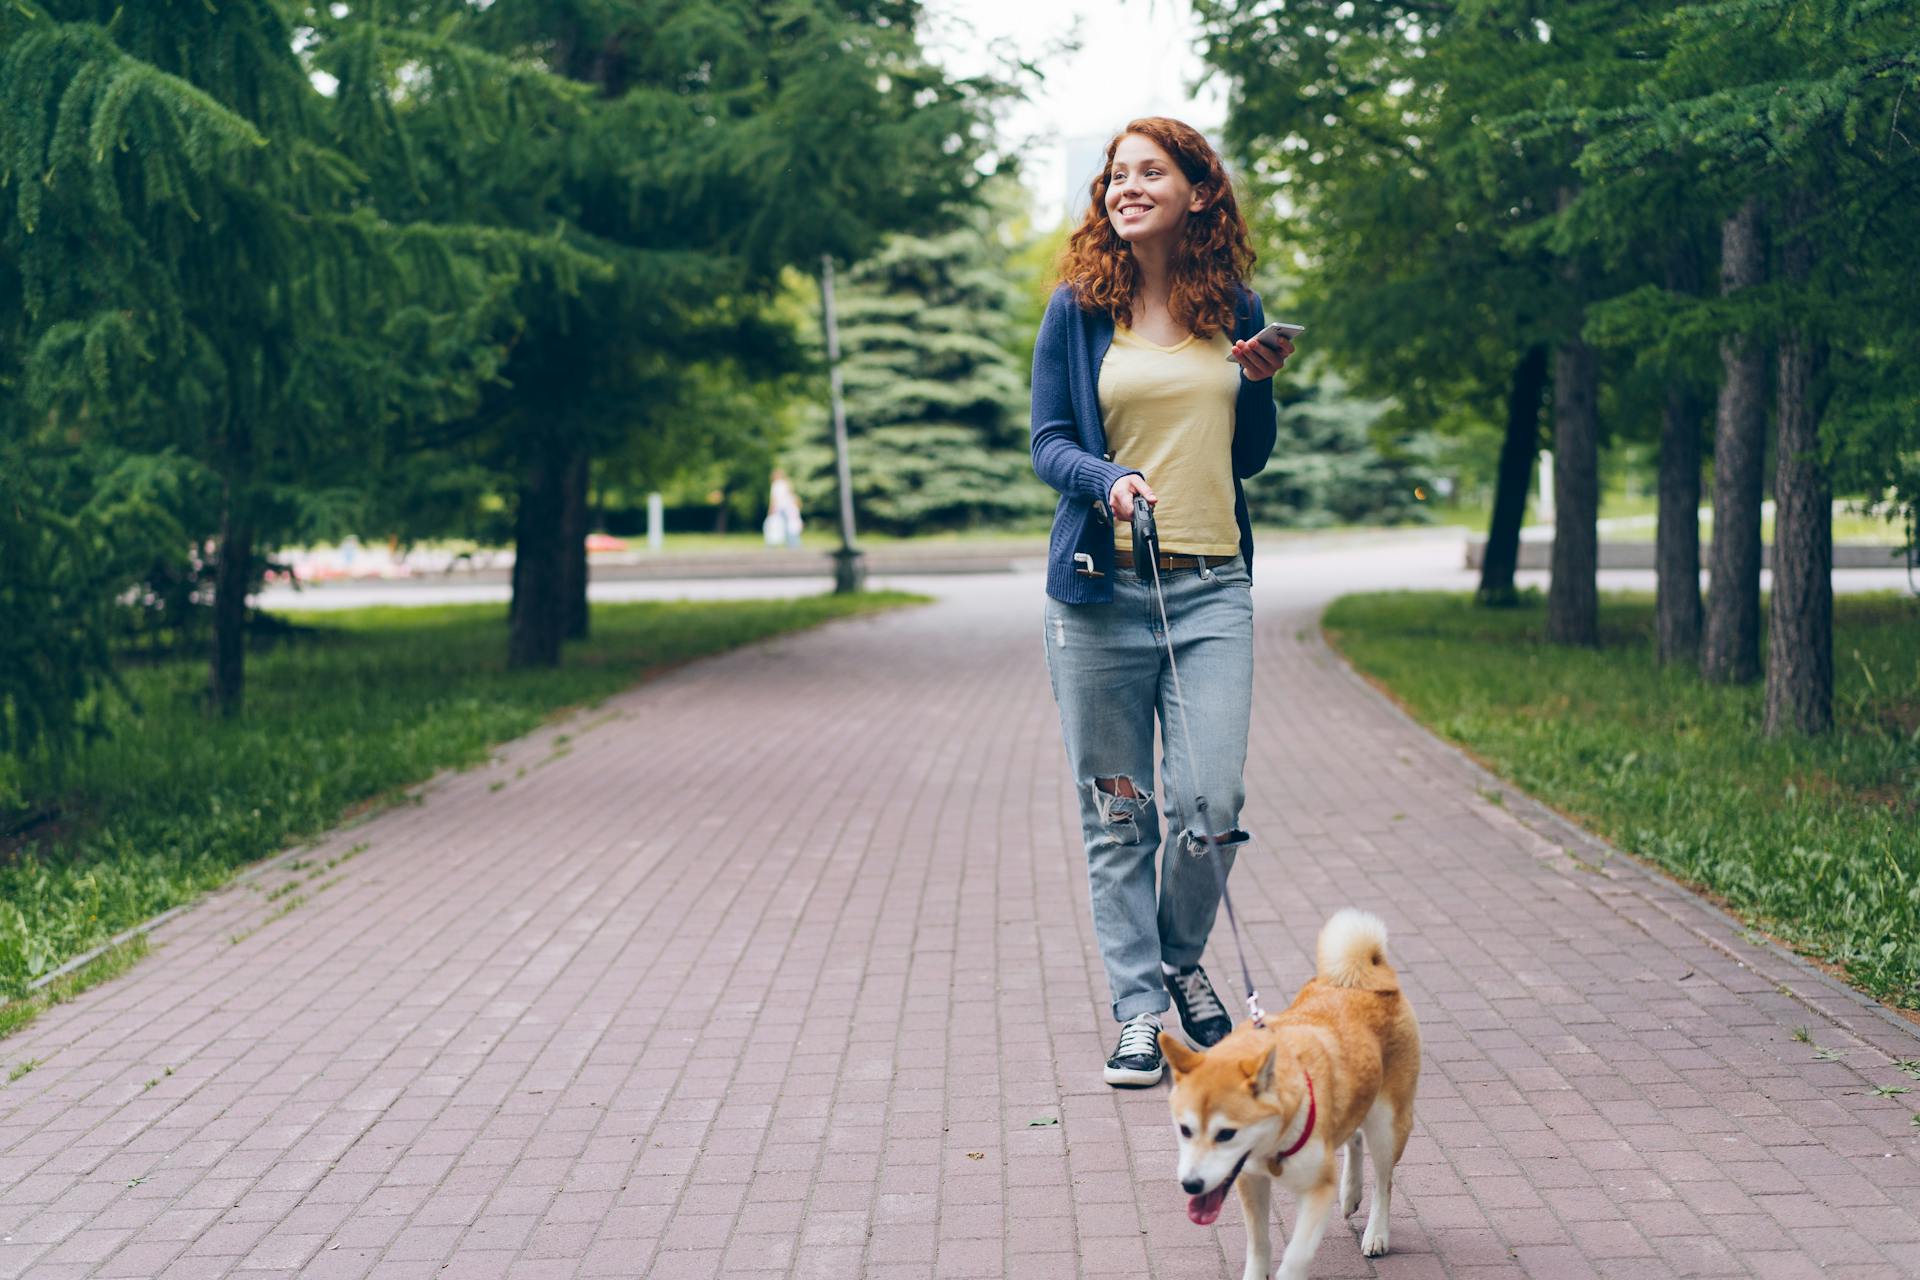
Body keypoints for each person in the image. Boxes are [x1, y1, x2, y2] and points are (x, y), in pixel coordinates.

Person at [1030, 117, 1292, 1088]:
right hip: (1101, 598)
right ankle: (1142, 1010)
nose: (1128, 186)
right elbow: (1049, 441)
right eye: (1117, 174)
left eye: (1151, 172)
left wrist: (1257, 386)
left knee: (1209, 805)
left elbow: (1248, 454)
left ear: (1196, 191)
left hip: (1212, 588)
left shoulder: (1232, 303)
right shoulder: (1077, 308)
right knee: (1119, 813)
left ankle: (1180, 955)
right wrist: (1108, 480)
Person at [764, 468, 803, 548]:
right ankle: (793, 543)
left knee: (775, 526)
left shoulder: (775, 485)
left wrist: (771, 509)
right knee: (790, 526)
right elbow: (791, 495)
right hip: (787, 508)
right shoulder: (785, 483)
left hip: (779, 508)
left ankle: (772, 544)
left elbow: (774, 498)